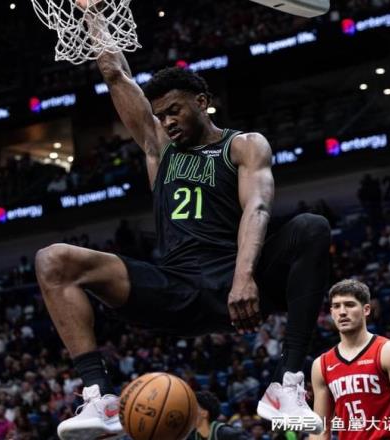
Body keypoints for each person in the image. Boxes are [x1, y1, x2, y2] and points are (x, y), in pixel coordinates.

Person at [34, 8, 331, 439]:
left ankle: (286, 386)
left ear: (202, 102)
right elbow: (116, 74)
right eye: (161, 115)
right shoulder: (159, 147)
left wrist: (243, 277)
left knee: (311, 227)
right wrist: (94, 13)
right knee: (53, 260)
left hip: (236, 281)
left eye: (174, 111)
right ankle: (99, 397)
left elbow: (258, 208)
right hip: (174, 287)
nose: (167, 122)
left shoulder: (243, 146)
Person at [310, 279, 390, 439]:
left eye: (349, 305)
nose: (342, 312)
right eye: (336, 306)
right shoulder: (321, 364)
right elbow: (321, 427)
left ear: (366, 309)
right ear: (331, 312)